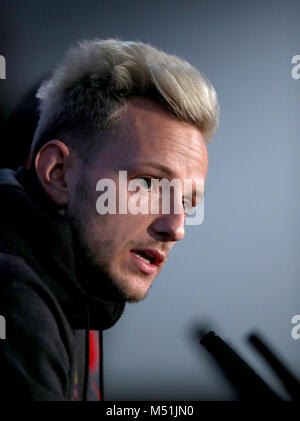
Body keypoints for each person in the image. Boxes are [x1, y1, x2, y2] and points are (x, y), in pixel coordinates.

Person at [0, 38, 219, 401]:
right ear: (58, 173)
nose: (176, 227)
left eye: (186, 202)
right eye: (149, 184)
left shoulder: (79, 292)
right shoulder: (14, 300)